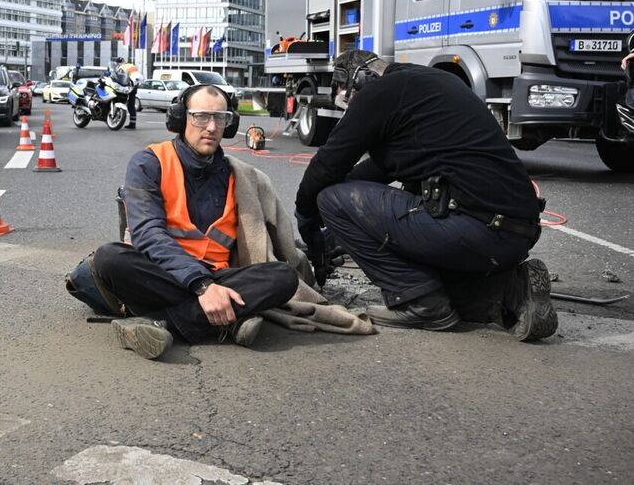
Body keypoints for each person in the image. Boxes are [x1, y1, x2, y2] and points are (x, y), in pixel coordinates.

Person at [294, 50, 556, 341]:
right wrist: (334, 237)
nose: (353, 110)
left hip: (474, 229)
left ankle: (419, 302)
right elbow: (374, 173)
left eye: (349, 101)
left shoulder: (378, 91)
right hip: (514, 235)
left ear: (359, 80)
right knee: (438, 277)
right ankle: (509, 290)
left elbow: (328, 165)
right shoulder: (429, 85)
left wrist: (305, 215)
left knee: (329, 199)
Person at [89, 84, 303, 359]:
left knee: (283, 277)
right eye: (201, 116)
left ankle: (159, 323)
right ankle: (226, 318)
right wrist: (202, 286)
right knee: (110, 257)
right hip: (163, 272)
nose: (212, 127)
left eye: (220, 118)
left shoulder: (237, 175)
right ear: (180, 118)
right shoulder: (149, 162)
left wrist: (211, 283)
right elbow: (147, 234)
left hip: (219, 275)